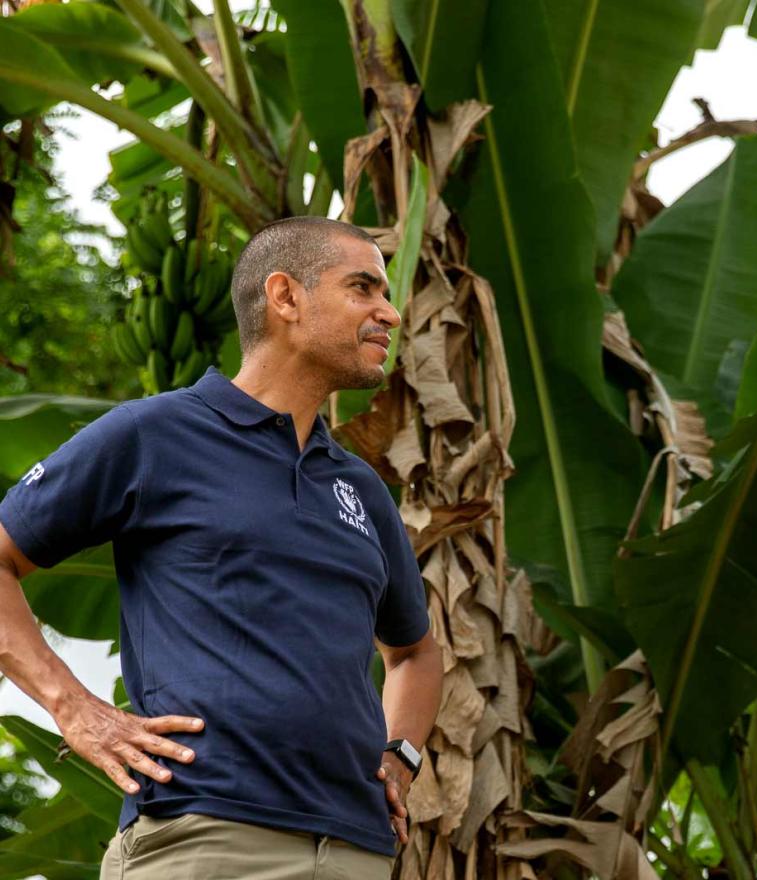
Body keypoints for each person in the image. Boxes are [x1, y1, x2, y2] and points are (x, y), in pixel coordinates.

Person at [0, 216, 444, 878]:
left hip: (357, 851)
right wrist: (77, 711)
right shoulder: (155, 435)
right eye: (363, 288)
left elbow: (414, 653)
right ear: (286, 297)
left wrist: (400, 759)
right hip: (206, 839)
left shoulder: (359, 487)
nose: (391, 311)